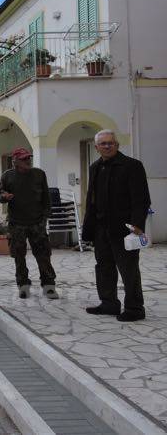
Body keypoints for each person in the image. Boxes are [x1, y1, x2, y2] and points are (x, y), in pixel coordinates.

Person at [82, 129, 151, 322]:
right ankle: (109, 303)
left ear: (117, 145)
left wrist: (138, 225)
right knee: (103, 267)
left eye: (110, 143)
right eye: (103, 143)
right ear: (96, 148)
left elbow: (141, 199)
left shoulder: (132, 166)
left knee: (128, 269)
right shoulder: (95, 167)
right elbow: (91, 199)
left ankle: (135, 308)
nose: (107, 146)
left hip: (124, 229)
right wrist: (89, 227)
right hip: (100, 228)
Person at [0, 147, 58, 299]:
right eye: (24, 158)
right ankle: (23, 285)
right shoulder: (7, 176)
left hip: (37, 222)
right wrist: (4, 196)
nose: (27, 160)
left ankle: (49, 286)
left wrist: (44, 218)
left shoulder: (39, 174)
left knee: (43, 255)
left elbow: (46, 199)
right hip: (17, 223)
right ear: (15, 161)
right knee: (19, 256)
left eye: (28, 158)